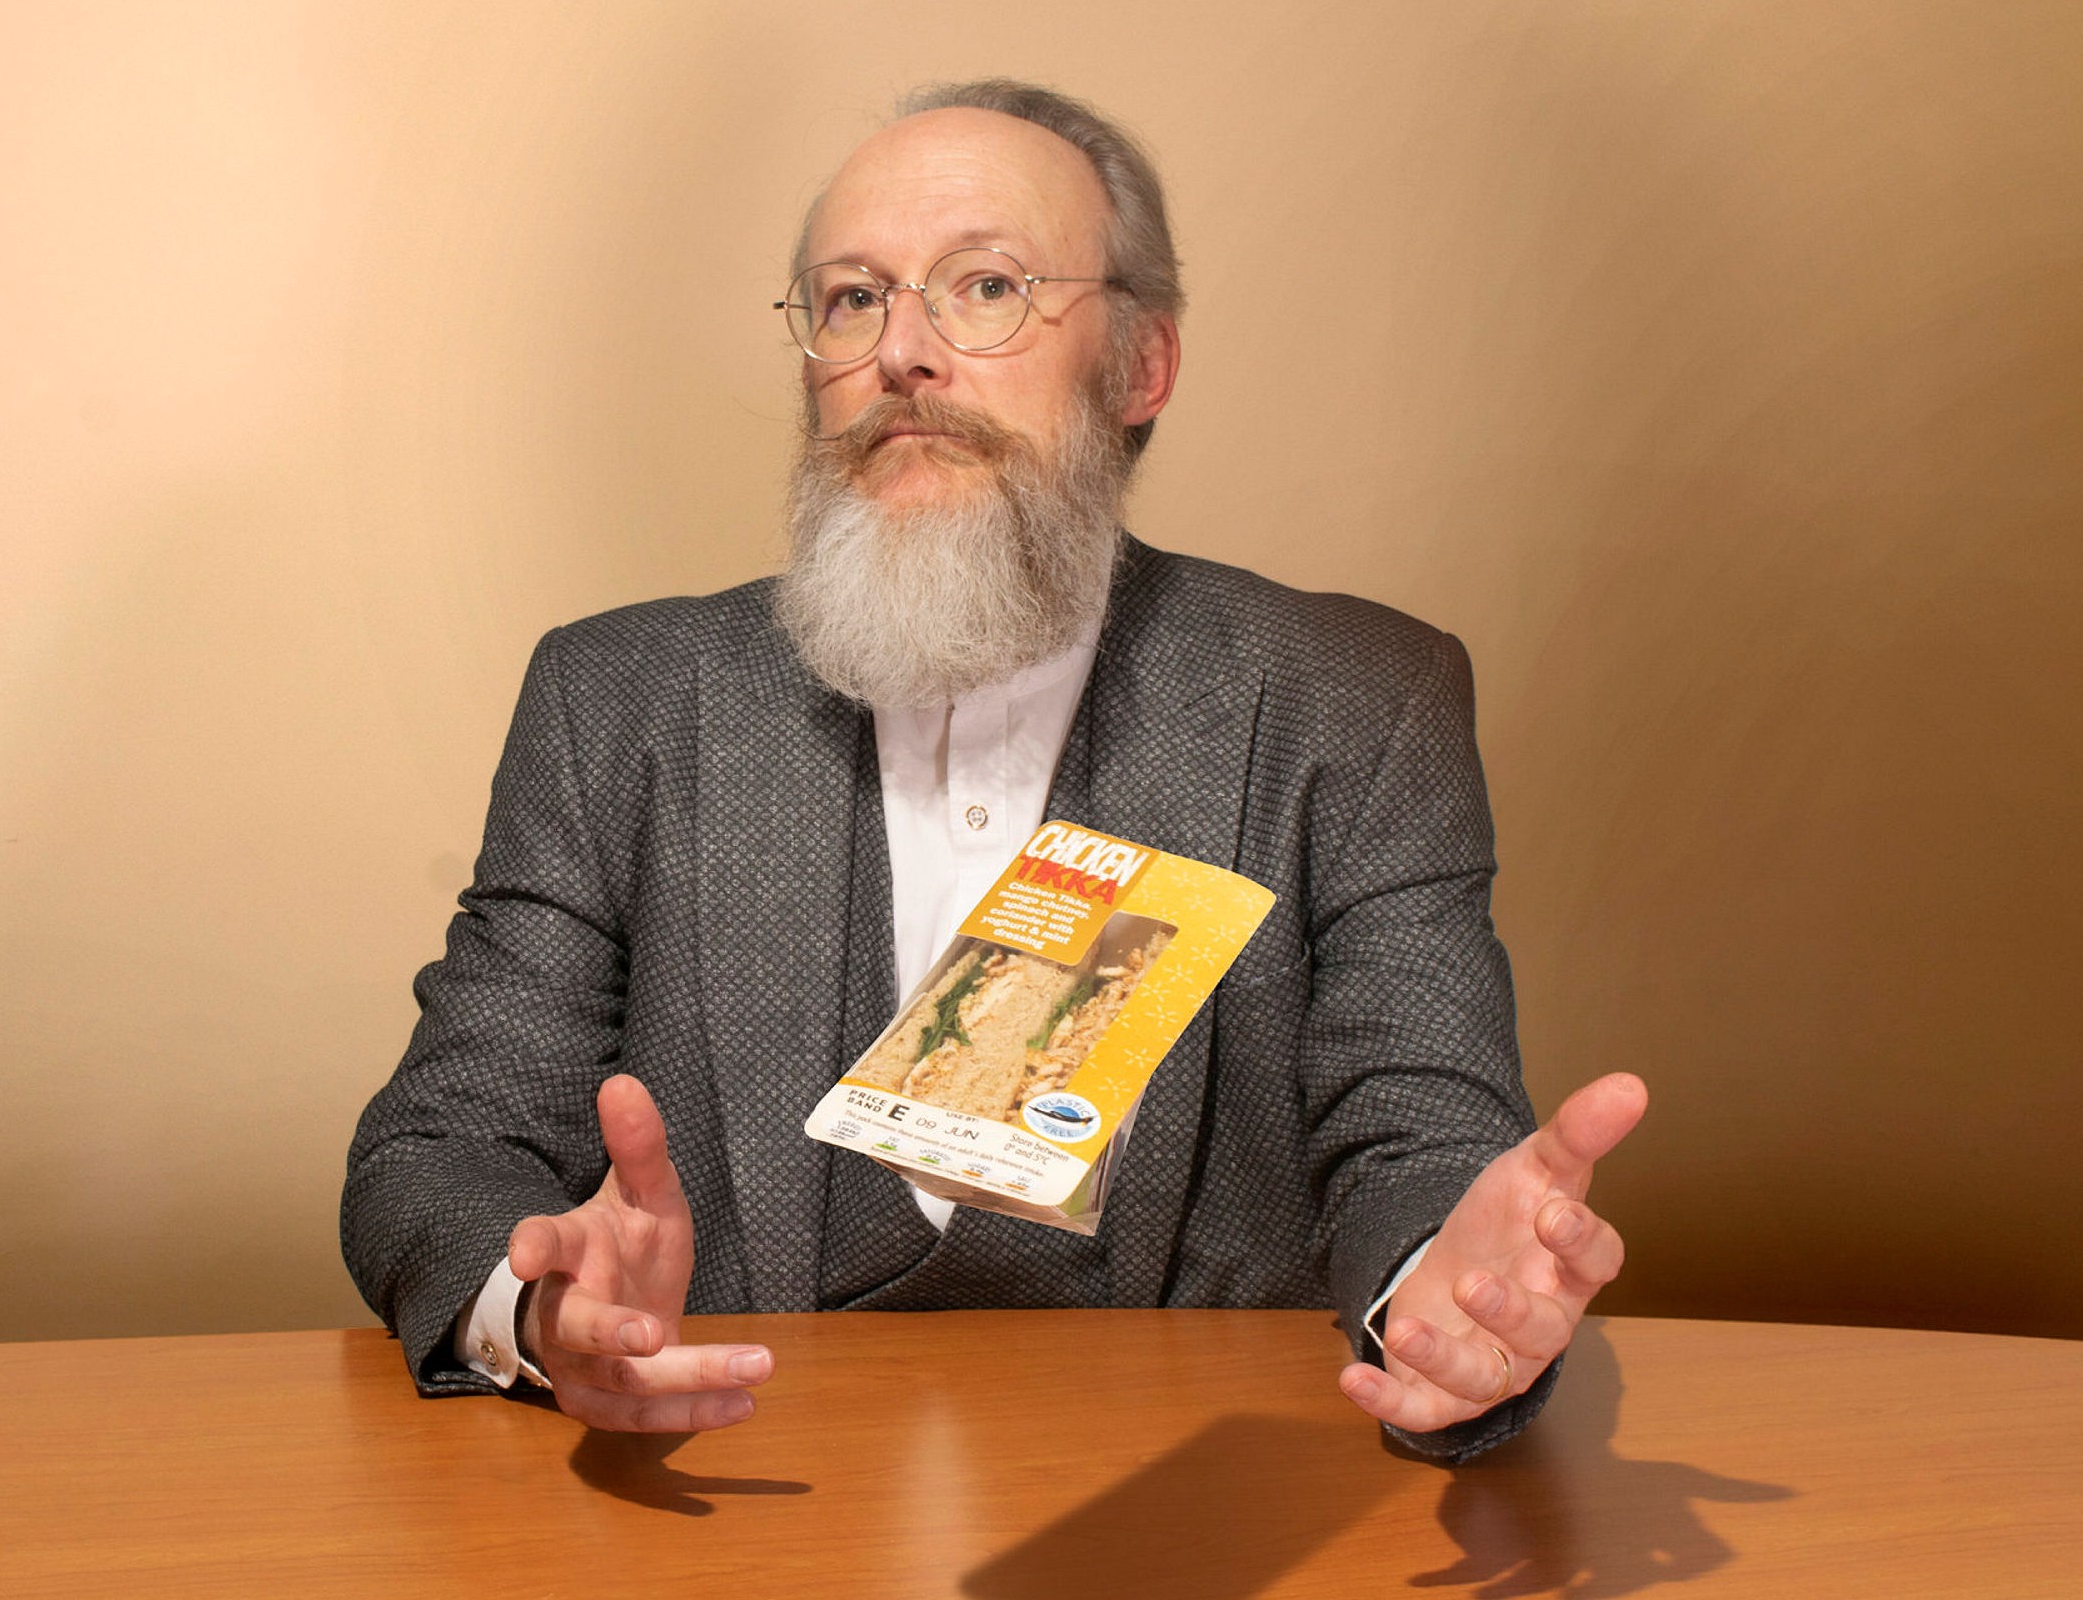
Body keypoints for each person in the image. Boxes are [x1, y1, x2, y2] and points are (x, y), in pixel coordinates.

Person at [342, 79, 1646, 1465]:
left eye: (985, 287)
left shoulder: (1359, 704)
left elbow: (1417, 1136)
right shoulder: (619, 703)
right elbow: (436, 1149)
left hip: (1187, 1520)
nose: (902, 350)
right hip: (752, 1507)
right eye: (852, 299)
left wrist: (1442, 1290)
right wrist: (544, 1310)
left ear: (1140, 365)